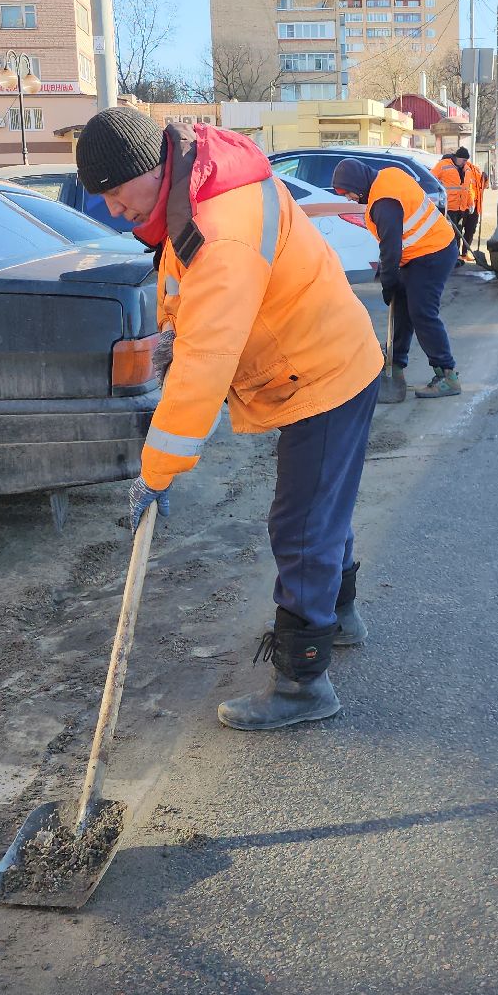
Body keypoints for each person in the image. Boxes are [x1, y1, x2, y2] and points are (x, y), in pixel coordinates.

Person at [76, 107, 383, 731]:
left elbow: (204, 366)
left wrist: (155, 472)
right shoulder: (196, 186)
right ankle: (339, 615)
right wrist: (170, 330)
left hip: (323, 371)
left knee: (301, 524)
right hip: (323, 355)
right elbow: (182, 282)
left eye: (114, 193)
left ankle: (302, 683)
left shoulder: (222, 226)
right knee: (321, 508)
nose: (113, 210)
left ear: (151, 167)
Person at [329, 157, 461, 399]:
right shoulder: (388, 174)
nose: (348, 198)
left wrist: (388, 283)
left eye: (347, 192)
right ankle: (395, 366)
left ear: (358, 184)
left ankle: (447, 375)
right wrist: (394, 284)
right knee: (402, 309)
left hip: (433, 253)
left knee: (421, 312)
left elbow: (390, 250)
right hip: (418, 253)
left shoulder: (383, 203)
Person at [431, 146, 485, 263]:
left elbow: (468, 188)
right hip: (448, 207)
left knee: (458, 233)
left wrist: (470, 203)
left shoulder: (467, 170)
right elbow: (432, 178)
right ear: (457, 157)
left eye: (466, 160)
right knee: (451, 234)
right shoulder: (443, 165)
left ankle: (458, 256)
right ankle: (451, 257)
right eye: (464, 160)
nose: (465, 162)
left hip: (461, 208)